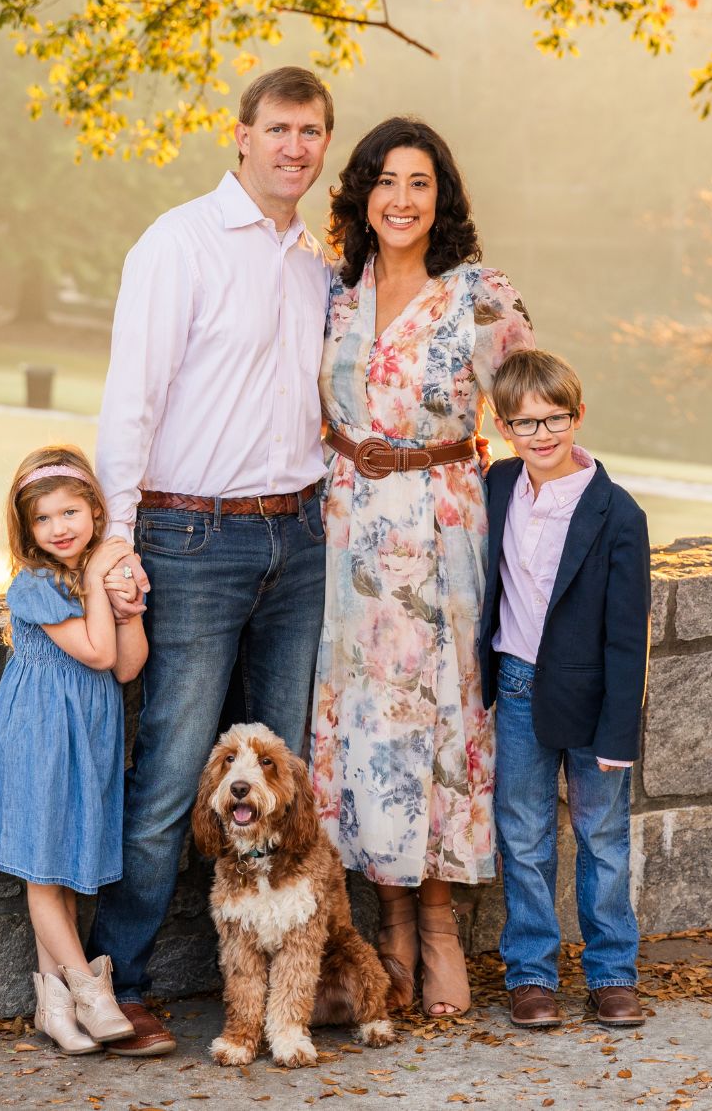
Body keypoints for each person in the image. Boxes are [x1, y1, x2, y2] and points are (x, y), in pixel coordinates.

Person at [88, 66, 336, 1055]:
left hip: (300, 538)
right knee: (173, 777)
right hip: (192, 538)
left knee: (283, 780)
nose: (296, 147)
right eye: (279, 128)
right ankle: (125, 978)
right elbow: (131, 397)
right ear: (241, 136)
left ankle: (283, 983)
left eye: (312, 131)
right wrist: (116, 533)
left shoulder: (318, 261)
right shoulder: (178, 243)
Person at [309, 116, 534, 1017]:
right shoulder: (334, 294)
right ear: (362, 194)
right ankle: (388, 927)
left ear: (441, 198)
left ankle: (437, 928)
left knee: (435, 724)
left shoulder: (479, 295)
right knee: (361, 727)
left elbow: (537, 408)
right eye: (386, 182)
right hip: (344, 531)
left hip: (440, 527)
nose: (401, 200)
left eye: (420, 183)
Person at [477, 350, 651, 1030]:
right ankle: (531, 976)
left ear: (578, 416)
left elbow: (626, 636)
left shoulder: (617, 513)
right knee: (523, 836)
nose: (542, 436)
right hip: (516, 687)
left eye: (555, 420)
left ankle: (612, 973)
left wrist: (618, 734)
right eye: (525, 424)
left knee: (604, 837)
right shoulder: (498, 486)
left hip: (591, 699)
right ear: (503, 427)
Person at [0, 446, 148, 1054]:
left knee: (63, 868)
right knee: (43, 876)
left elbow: (124, 665)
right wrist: (103, 574)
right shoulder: (35, 585)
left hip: (87, 737)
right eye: (43, 520)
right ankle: (89, 990)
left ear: (96, 511)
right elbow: (96, 655)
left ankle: (53, 1007)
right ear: (27, 531)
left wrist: (127, 603)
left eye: (70, 512)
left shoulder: (92, 575)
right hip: (41, 735)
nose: (59, 528)